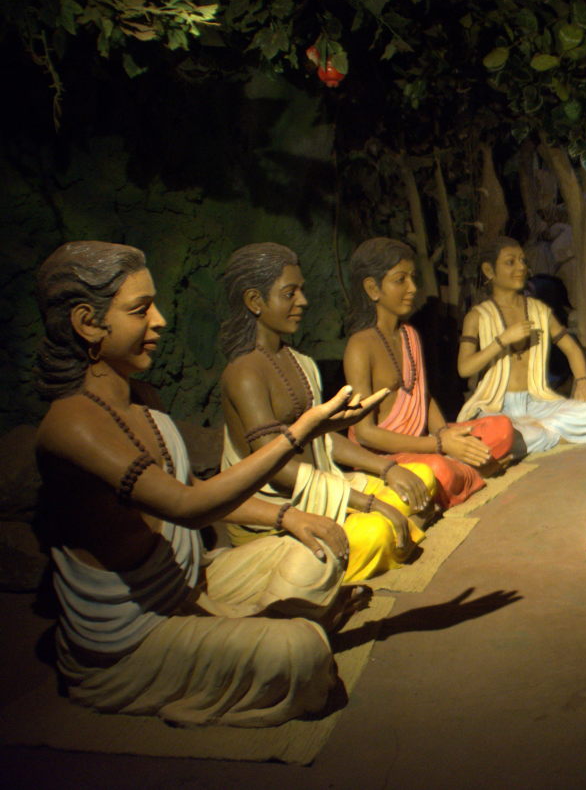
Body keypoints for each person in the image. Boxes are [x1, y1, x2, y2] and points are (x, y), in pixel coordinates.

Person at [34, 241, 387, 727]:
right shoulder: (72, 423)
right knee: (302, 652)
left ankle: (250, 629)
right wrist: (299, 434)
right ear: (87, 323)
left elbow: (192, 487)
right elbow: (187, 506)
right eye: (140, 309)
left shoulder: (145, 399)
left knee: (319, 549)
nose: (159, 320)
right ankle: (267, 634)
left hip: (190, 580)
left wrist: (289, 516)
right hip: (135, 633)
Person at [218, 243, 434, 582]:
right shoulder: (244, 373)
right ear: (255, 301)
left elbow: (324, 441)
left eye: (301, 291)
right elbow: (275, 467)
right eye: (290, 293)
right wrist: (368, 502)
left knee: (420, 477)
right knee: (375, 532)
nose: (303, 301)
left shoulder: (300, 362)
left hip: (323, 487)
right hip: (282, 511)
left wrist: (388, 467)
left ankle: (375, 535)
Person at [342, 237, 515, 509]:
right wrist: (439, 446)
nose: (412, 288)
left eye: (412, 278)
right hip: (387, 455)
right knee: (439, 470)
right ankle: (473, 471)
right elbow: (365, 433)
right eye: (400, 280)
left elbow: (423, 395)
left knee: (501, 428)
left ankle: (461, 472)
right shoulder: (359, 346)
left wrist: (447, 435)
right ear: (372, 288)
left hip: (425, 442)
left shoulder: (409, 334)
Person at [457, 237, 586, 455]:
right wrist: (502, 340)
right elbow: (464, 369)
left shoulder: (538, 310)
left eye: (522, 261)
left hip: (536, 403)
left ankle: (530, 435)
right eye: (510, 262)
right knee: (496, 431)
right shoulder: (477, 316)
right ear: (489, 271)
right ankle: (538, 435)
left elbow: (571, 348)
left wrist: (582, 381)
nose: (521, 267)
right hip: (498, 406)